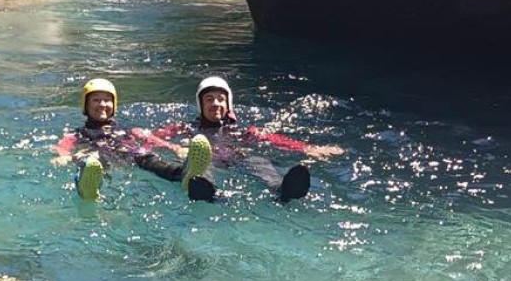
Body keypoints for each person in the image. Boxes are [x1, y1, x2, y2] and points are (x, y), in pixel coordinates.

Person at [137, 75, 345, 202]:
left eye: (221, 99)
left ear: (228, 104)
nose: (216, 103)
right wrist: (173, 147)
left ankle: (281, 189)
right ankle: (205, 190)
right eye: (209, 99)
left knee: (258, 161)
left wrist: (307, 148)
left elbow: (273, 139)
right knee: (203, 163)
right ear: (201, 105)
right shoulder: (186, 128)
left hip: (236, 158)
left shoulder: (239, 130)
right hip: (209, 160)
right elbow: (148, 136)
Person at [54, 78, 216, 202]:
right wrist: (63, 155)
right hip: (98, 155)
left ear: (114, 105)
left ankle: (182, 174)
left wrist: (174, 148)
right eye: (96, 100)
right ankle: (87, 186)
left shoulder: (126, 129)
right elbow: (64, 144)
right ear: (86, 105)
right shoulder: (79, 133)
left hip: (128, 154)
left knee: (148, 157)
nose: (102, 104)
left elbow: (150, 138)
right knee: (89, 160)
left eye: (107, 100)